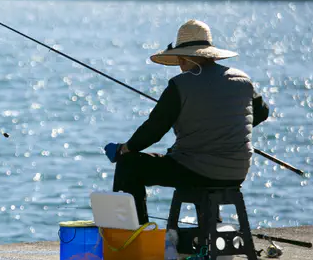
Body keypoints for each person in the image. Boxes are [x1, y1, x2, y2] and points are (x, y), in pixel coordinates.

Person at [103, 19, 270, 224]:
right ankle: (209, 232)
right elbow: (261, 113)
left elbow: (154, 130)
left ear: (191, 57)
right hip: (237, 172)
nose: (180, 65)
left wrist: (124, 149)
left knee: (129, 165)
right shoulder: (242, 79)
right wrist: (222, 128)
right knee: (194, 158)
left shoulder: (180, 85)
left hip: (198, 170)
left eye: (181, 59)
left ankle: (134, 238)